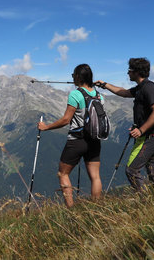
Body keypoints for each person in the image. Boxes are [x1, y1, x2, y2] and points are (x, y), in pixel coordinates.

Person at [95, 57, 154, 192]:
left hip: (149, 136)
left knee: (131, 170)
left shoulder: (148, 88)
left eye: (130, 70)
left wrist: (141, 130)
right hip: (153, 135)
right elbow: (124, 92)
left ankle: (146, 199)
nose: (128, 73)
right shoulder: (141, 87)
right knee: (153, 169)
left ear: (137, 72)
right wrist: (104, 84)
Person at [38, 64, 103, 207]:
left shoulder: (76, 94)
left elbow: (66, 120)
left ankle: (71, 209)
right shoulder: (99, 95)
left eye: (73, 75)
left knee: (63, 174)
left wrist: (46, 127)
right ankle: (97, 209)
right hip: (94, 140)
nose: (72, 78)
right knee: (95, 176)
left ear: (79, 77)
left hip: (77, 140)